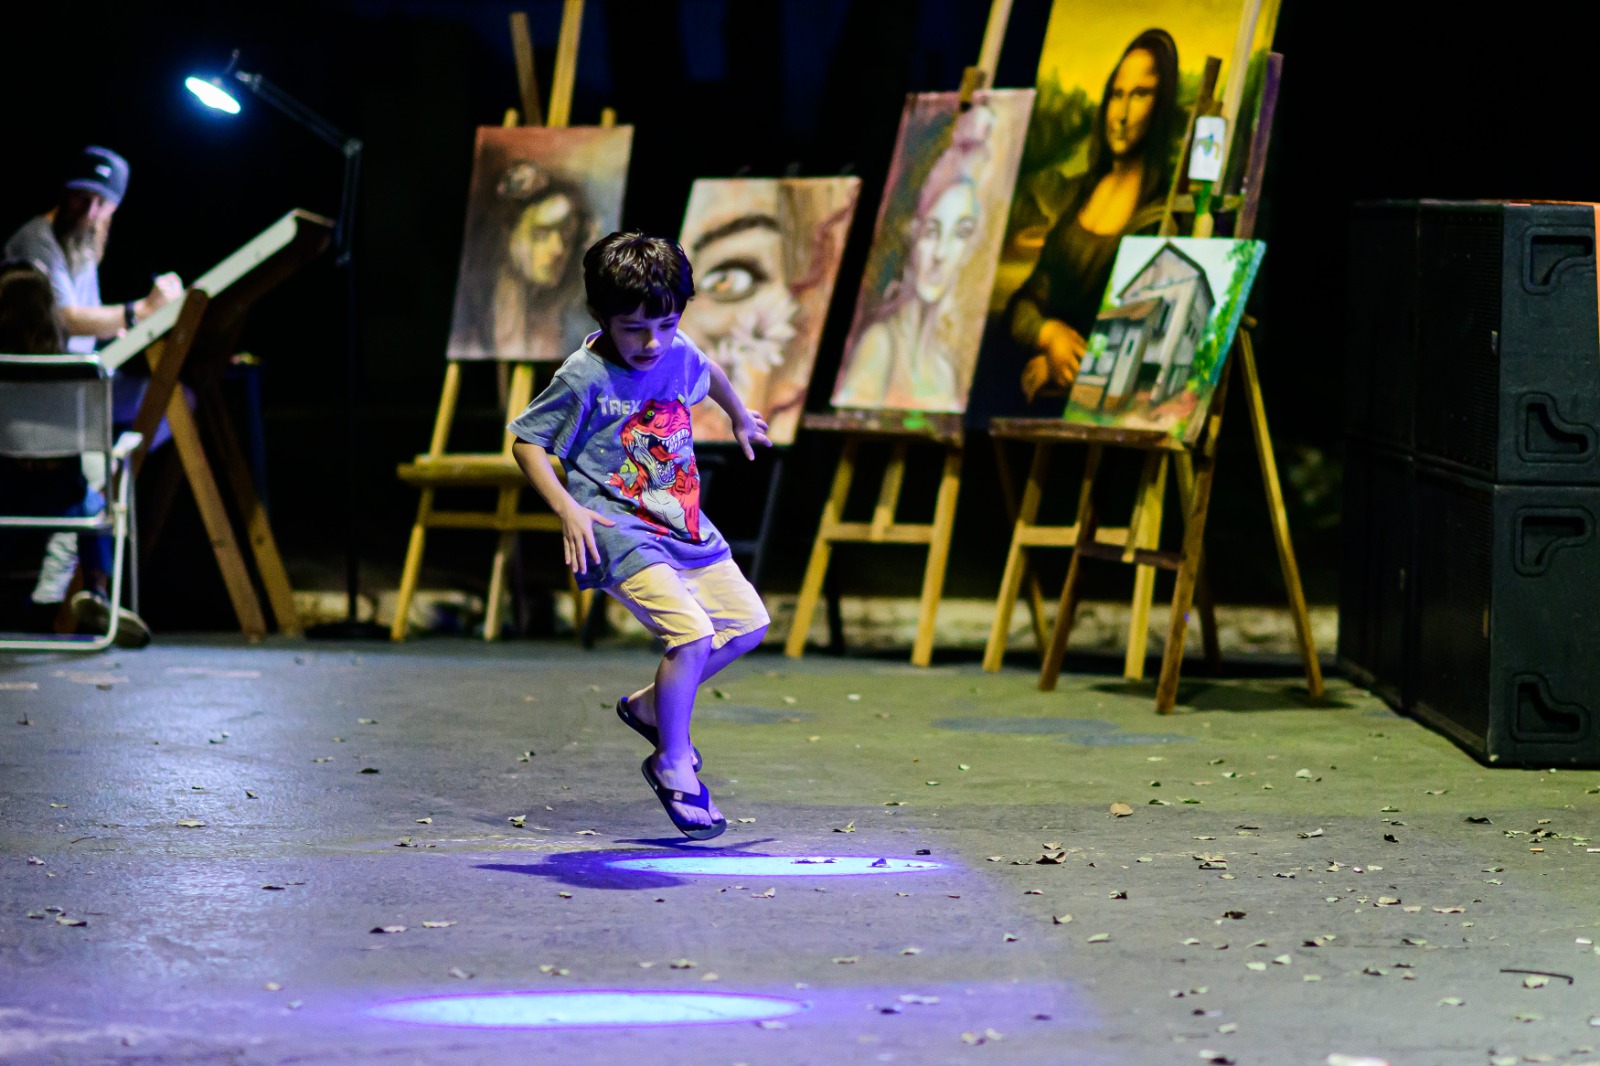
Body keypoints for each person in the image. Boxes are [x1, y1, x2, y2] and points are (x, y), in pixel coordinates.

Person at [508, 232, 771, 840]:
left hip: (680, 522)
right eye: (634, 329)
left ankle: (652, 706)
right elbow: (527, 443)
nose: (652, 343)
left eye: (666, 325)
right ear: (602, 316)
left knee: (748, 624)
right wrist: (568, 508)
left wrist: (739, 416)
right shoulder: (584, 375)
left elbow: (709, 370)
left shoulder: (677, 352)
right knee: (692, 632)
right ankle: (672, 761)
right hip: (616, 527)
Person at [1006, 29, 1181, 404]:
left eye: (1140, 94)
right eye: (1117, 94)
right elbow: (1024, 302)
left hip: (1105, 412)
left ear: (1161, 105)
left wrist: (1063, 367)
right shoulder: (1078, 196)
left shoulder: (1162, 217)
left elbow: (1145, 345)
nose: (1122, 114)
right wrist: (1048, 334)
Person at [0, 259, 151, 645]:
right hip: (60, 499)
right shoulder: (77, 371)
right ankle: (98, 591)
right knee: (92, 503)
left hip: (6, 498)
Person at [832, 103, 996, 412]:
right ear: (913, 237)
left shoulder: (945, 370)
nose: (940, 254)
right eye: (932, 232)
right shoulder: (880, 345)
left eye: (959, 234)